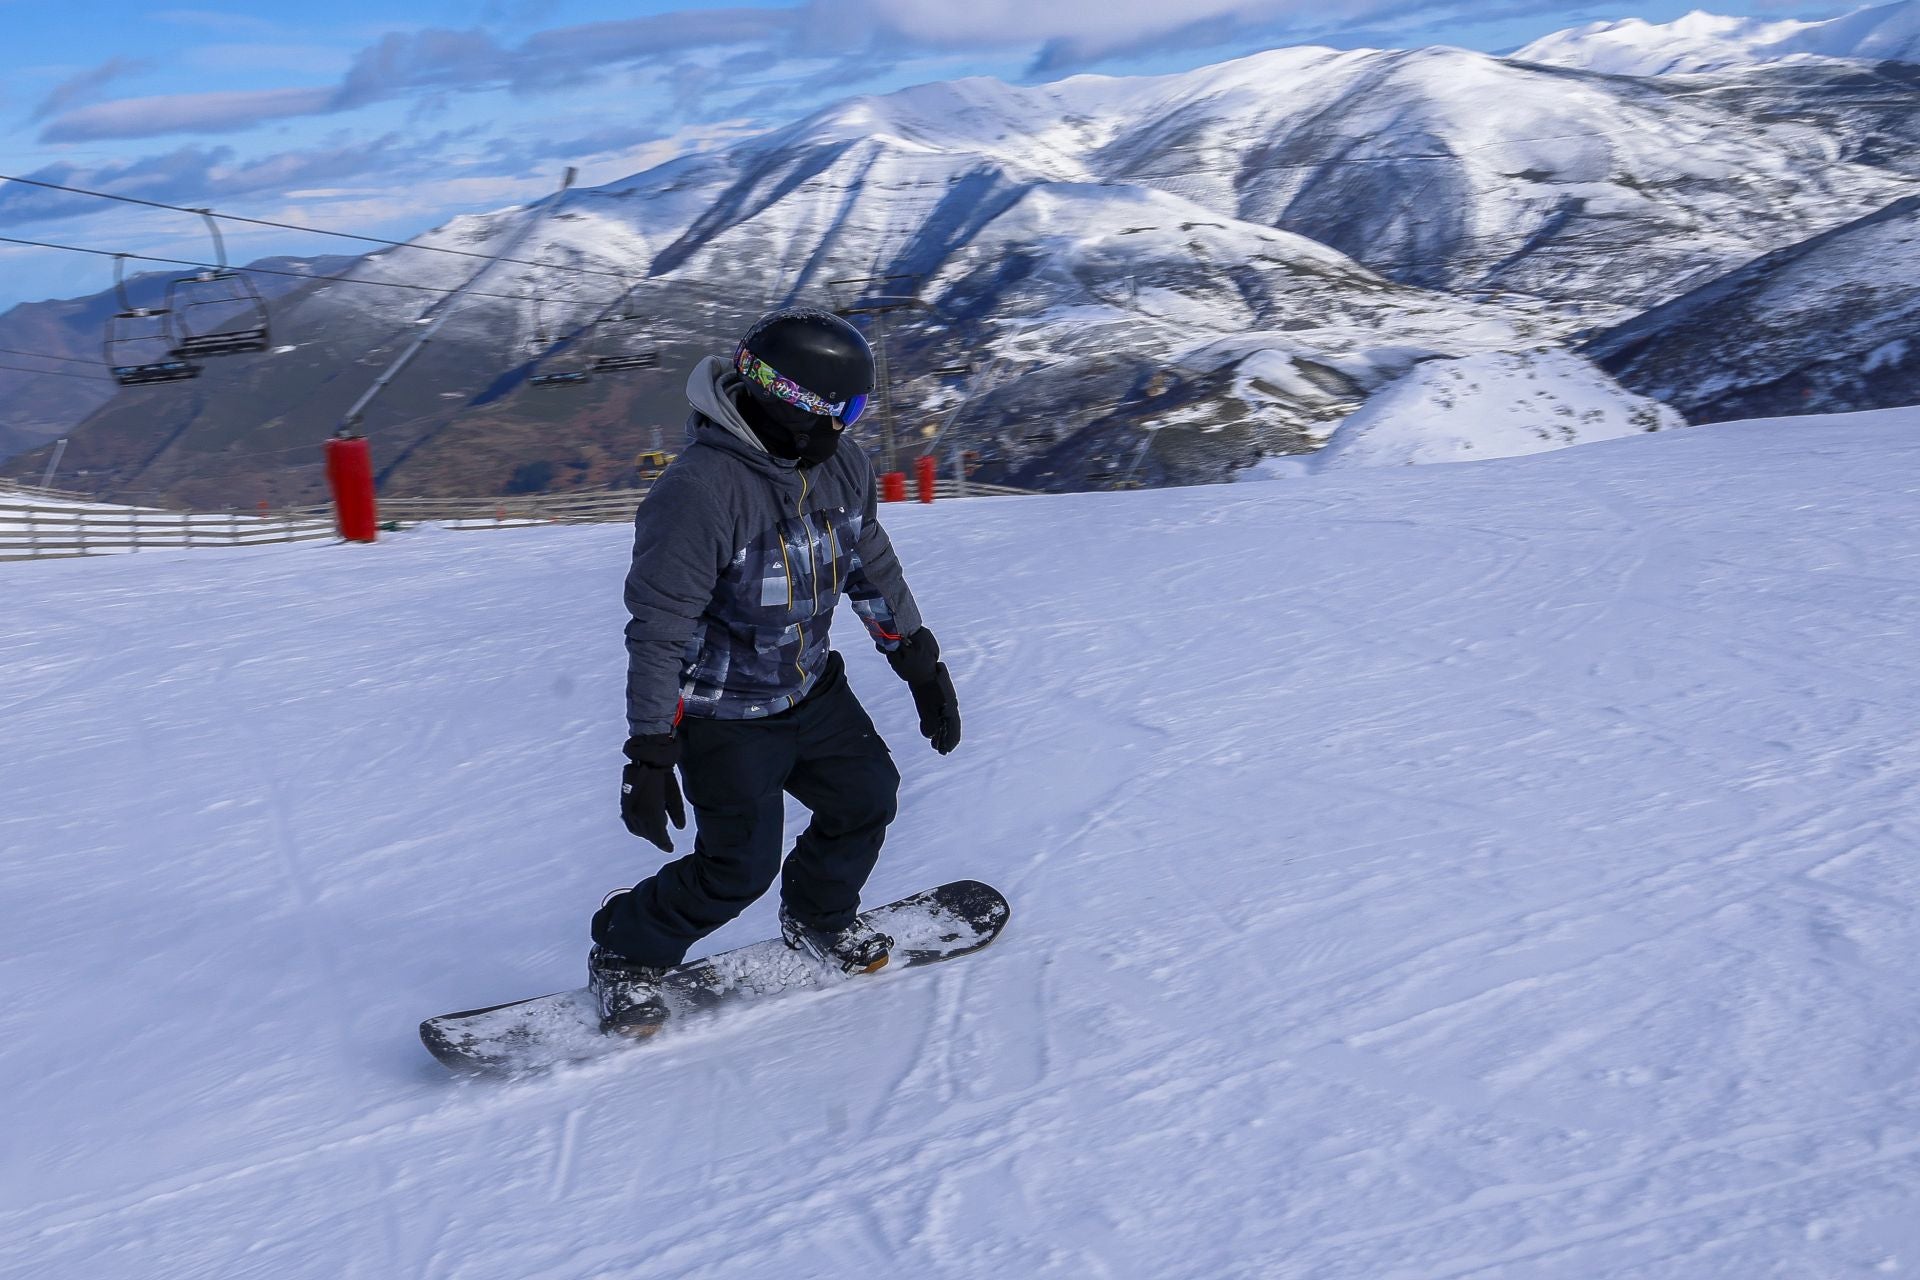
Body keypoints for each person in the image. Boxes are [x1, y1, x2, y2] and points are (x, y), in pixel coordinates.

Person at [588, 307, 962, 1033]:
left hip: (812, 689)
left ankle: (818, 913)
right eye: (845, 410)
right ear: (797, 408)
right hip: (725, 715)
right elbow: (661, 631)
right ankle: (626, 948)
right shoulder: (699, 494)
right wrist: (650, 750)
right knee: (736, 869)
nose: (851, 426)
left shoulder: (838, 466)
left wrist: (917, 658)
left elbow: (868, 563)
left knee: (866, 796)